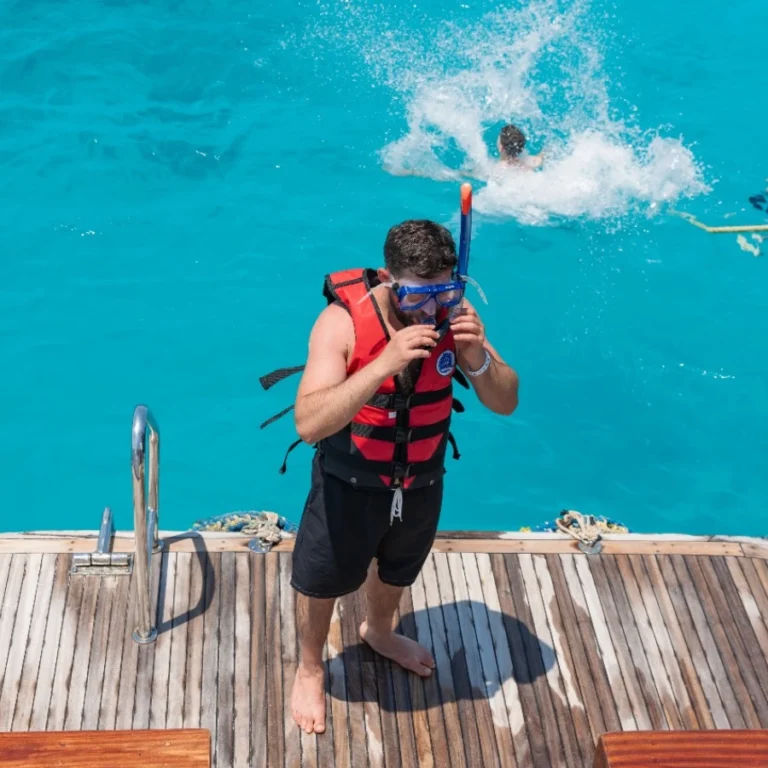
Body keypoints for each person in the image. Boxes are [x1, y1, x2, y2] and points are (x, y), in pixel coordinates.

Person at [287, 218, 519, 735]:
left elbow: (506, 401)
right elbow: (308, 424)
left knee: (397, 569)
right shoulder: (341, 322)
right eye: (419, 296)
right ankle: (308, 664)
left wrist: (478, 358)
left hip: (420, 481)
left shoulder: (454, 319)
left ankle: (380, 631)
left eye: (445, 291)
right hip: (349, 484)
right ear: (391, 281)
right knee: (324, 579)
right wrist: (380, 365)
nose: (432, 308)